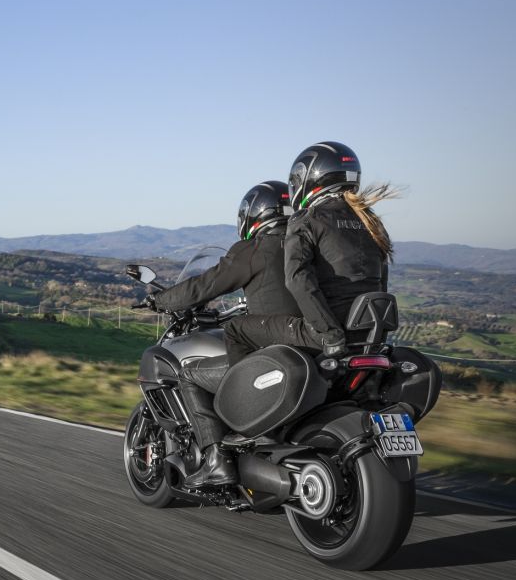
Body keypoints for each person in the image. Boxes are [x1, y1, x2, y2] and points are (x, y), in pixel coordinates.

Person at [148, 180, 301, 488]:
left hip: (271, 355)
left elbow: (204, 285)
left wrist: (160, 300)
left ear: (253, 215)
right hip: (311, 346)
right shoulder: (306, 244)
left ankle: (216, 460)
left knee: (190, 374)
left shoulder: (256, 249)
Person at [283, 141, 398, 358]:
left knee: (238, 330)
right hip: (369, 334)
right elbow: (381, 282)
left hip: (332, 333)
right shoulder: (371, 221)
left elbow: (297, 279)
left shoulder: (307, 220)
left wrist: (331, 333)